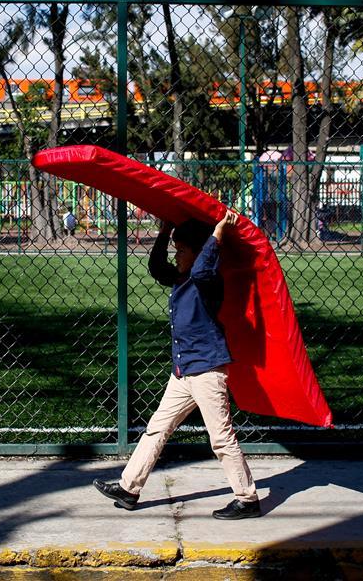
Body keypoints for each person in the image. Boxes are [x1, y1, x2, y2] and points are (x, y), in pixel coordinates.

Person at [94, 209, 261, 520]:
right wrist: (164, 230)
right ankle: (129, 488)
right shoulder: (182, 278)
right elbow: (158, 267)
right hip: (184, 372)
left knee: (221, 437)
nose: (176, 255)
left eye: (182, 250)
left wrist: (218, 234)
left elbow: (201, 271)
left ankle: (247, 498)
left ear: (199, 253)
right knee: (157, 428)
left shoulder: (207, 280)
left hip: (208, 370)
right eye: (176, 249)